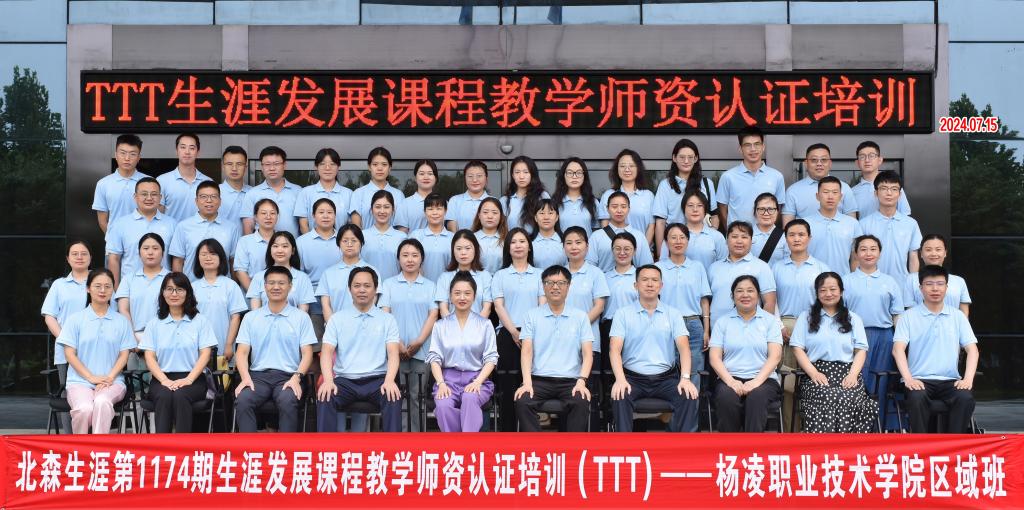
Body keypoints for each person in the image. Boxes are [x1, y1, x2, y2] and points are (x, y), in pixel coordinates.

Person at [609, 264, 700, 432]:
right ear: (636, 285)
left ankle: (684, 446)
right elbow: (614, 350)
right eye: (644, 280)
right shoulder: (623, 314)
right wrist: (620, 379)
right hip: (632, 378)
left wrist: (685, 378)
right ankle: (623, 445)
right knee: (620, 394)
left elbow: (684, 349)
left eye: (654, 280)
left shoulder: (673, 314)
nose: (650, 284)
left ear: (661, 285)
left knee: (688, 395)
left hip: (665, 379)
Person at [893, 265, 979, 433]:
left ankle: (954, 443)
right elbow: (898, 349)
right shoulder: (908, 316)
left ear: (946, 287)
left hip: (950, 380)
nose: (935, 289)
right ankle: (921, 445)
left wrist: (968, 379)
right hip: (919, 380)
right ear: (921, 288)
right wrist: (908, 379)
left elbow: (972, 350)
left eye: (940, 284)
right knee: (916, 397)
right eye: (929, 284)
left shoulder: (958, 316)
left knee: (965, 397)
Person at [317, 267, 403, 432]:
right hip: (345, 381)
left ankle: (394, 447)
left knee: (392, 396)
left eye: (367, 286)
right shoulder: (337, 319)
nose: (362, 290)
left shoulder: (387, 319)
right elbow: (326, 353)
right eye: (357, 286)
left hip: (377, 380)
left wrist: (389, 380)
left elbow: (393, 353)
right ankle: (326, 447)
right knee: (325, 395)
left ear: (376, 289)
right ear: (349, 289)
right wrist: (328, 380)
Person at [790, 272, 877, 433]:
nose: (828, 294)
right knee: (827, 395)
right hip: (816, 374)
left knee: (850, 397)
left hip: (847, 373)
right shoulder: (805, 317)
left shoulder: (853, 318)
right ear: (817, 293)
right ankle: (825, 444)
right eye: (823, 290)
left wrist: (853, 375)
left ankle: (848, 445)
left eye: (833, 289)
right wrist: (813, 373)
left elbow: (861, 350)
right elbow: (797, 348)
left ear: (841, 291)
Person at [234, 266, 316, 433]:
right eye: (271, 283)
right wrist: (245, 378)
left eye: (281, 283)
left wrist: (296, 378)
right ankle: (248, 448)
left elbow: (307, 353)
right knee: (243, 399)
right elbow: (242, 352)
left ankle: (285, 448)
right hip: (258, 377)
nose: (276, 287)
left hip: (289, 376)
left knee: (287, 400)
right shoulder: (251, 317)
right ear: (264, 287)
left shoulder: (301, 318)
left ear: (290, 286)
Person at [515, 266, 594, 432]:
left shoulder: (580, 317)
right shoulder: (531, 315)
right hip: (539, 379)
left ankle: (573, 447)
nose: (555, 287)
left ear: (569, 286)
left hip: (571, 380)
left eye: (561, 283)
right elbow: (527, 351)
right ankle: (535, 446)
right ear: (543, 286)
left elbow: (588, 354)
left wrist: (582, 381)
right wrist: (527, 382)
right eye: (549, 282)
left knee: (581, 401)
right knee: (523, 400)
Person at [57, 269, 135, 434]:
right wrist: (91, 377)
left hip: (112, 381)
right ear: (88, 288)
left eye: (108, 286)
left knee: (102, 402)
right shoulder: (75, 320)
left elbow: (124, 354)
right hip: (79, 382)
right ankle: (81, 447)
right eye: (97, 286)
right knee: (84, 409)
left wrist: (110, 377)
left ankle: (99, 447)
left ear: (113, 290)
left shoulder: (122, 321)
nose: (102, 290)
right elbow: (69, 354)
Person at [140, 272, 216, 433]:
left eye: (179, 289)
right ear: (163, 293)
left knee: (181, 395)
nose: (174, 294)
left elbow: (205, 354)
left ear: (188, 293)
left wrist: (189, 379)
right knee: (164, 395)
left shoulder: (200, 321)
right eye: (169, 289)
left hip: (194, 378)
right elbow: (149, 357)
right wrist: (164, 380)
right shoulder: (154, 324)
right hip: (161, 378)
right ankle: (163, 446)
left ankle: (182, 445)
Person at [708, 275, 783, 432]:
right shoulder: (722, 322)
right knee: (726, 398)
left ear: (758, 295)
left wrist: (756, 382)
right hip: (729, 378)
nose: (745, 295)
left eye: (750, 290)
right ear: (732, 296)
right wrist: (731, 382)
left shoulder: (770, 321)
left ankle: (752, 445)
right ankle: (730, 445)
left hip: (764, 380)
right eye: (739, 291)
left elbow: (775, 356)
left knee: (757, 397)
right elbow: (714, 358)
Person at [843, 235, 903, 429]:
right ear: (855, 253)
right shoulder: (845, 281)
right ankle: (855, 430)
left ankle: (879, 429)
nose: (868, 253)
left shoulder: (890, 281)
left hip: (884, 337)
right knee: (856, 381)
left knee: (882, 383)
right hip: (854, 337)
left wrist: (900, 342)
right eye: (863, 249)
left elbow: (897, 315)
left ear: (879, 252)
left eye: (873, 249)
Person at [379, 239, 439, 432]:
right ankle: (400, 438)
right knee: (398, 395)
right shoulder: (388, 284)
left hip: (423, 350)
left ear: (422, 259)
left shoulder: (430, 286)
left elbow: (433, 314)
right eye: (405, 255)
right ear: (398, 259)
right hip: (395, 350)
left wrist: (419, 341)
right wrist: (397, 343)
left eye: (414, 255)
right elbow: (385, 314)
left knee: (418, 396)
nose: (410, 259)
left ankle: (417, 439)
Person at [427, 272, 500, 432]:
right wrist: (441, 384)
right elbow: (434, 358)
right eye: (457, 293)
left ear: (474, 296)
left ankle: (466, 443)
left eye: (467, 293)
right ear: (450, 296)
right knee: (443, 405)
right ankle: (459, 442)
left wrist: (477, 382)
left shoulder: (485, 324)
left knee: (469, 398)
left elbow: (491, 358)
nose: (462, 297)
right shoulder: (440, 325)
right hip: (448, 380)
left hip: (477, 378)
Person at [491, 228, 545, 430]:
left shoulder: (539, 274)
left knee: (530, 384)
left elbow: (542, 305)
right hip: (508, 334)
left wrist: (528, 333)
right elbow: (499, 306)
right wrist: (514, 332)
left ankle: (529, 434)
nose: (518, 245)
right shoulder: (500, 275)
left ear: (529, 247)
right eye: (513, 242)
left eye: (522, 241)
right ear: (508, 248)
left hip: (534, 334)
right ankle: (508, 434)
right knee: (508, 386)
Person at [41, 240, 93, 433]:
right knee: (69, 396)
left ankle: (93, 440)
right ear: (68, 259)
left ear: (90, 258)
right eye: (75, 254)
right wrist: (67, 341)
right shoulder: (59, 285)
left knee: (95, 395)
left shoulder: (99, 281)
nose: (79, 257)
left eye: (84, 253)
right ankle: (69, 440)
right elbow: (49, 317)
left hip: (96, 351)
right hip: (66, 351)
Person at [655, 224, 711, 391]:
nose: (678, 241)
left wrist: (706, 330)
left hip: (693, 323)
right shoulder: (658, 268)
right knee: (668, 369)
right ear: (666, 242)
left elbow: (704, 300)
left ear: (688, 240)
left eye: (682, 237)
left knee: (694, 371)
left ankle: (692, 408)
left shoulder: (697, 267)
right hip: (666, 323)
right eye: (673, 237)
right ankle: (671, 408)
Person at [105, 177, 176, 289]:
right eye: (144, 194)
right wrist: (116, 291)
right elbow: (114, 259)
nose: (149, 198)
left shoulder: (172, 224)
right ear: (135, 197)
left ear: (160, 197)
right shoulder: (120, 224)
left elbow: (177, 259)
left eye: (154, 194)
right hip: (130, 289)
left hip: (164, 289)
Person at [654, 139, 717, 257]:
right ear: (674, 158)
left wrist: (712, 237)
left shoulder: (706, 184)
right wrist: (660, 254)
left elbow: (714, 216)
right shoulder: (665, 185)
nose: (686, 161)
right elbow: (660, 222)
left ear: (696, 158)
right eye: (682, 157)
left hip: (702, 245)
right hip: (674, 244)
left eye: (690, 157)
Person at [190, 239, 247, 370]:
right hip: (197, 348)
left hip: (223, 347)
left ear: (221, 258)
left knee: (222, 380)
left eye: (213, 254)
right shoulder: (192, 287)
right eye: (203, 254)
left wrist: (228, 345)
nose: (208, 258)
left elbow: (235, 317)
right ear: (198, 258)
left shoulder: (230, 285)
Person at [858, 170, 922, 282]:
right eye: (884, 188)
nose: (889, 193)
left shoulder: (911, 224)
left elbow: (913, 258)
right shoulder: (863, 224)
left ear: (900, 194)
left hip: (902, 284)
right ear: (876, 193)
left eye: (894, 189)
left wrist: (913, 284)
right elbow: (857, 258)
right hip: (871, 284)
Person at [707, 222, 777, 324]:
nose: (739, 241)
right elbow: (707, 301)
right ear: (726, 240)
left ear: (751, 241)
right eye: (734, 237)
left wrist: (763, 327)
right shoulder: (714, 267)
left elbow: (769, 302)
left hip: (750, 329)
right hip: (716, 328)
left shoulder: (761, 267)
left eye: (744, 237)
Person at [716, 126, 786, 227]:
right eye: (747, 145)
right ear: (740, 149)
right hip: (738, 235)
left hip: (766, 235)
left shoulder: (776, 176)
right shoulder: (728, 177)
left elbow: (778, 209)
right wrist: (731, 231)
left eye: (757, 144)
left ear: (763, 147)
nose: (753, 149)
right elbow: (722, 208)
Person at [563, 227, 610, 373]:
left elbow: (599, 306)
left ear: (587, 246)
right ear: (563, 247)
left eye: (578, 242)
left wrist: (576, 326)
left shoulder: (596, 273)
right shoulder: (558, 274)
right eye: (569, 243)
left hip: (589, 338)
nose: (574, 247)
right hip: (562, 340)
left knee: (589, 382)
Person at [169, 180, 240, 274]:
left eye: (213, 196)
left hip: (223, 283)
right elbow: (178, 261)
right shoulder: (183, 226)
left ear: (220, 201)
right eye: (203, 197)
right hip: (191, 282)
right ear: (196, 201)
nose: (209, 200)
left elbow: (233, 261)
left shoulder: (231, 228)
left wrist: (233, 282)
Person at [316, 224, 383, 323]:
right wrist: (333, 328)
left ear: (361, 243)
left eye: (354, 240)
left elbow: (373, 302)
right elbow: (326, 305)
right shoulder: (328, 273)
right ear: (338, 243)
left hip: (365, 326)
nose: (349, 244)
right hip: (337, 326)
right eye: (345, 241)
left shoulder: (372, 271)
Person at [297, 198, 342, 339]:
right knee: (314, 345)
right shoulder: (301, 242)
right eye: (321, 212)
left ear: (335, 215)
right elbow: (298, 275)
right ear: (313, 216)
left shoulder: (345, 241)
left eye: (330, 212)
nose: (326, 216)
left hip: (340, 302)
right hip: (312, 304)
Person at [116, 233, 171, 345]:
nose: (150, 252)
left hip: (166, 338)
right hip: (134, 337)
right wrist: (131, 338)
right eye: (146, 248)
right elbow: (123, 310)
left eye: (155, 248)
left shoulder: (172, 279)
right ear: (139, 253)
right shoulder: (128, 279)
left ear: (163, 252)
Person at [802, 176, 863, 276]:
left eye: (835, 192)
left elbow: (855, 258)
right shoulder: (804, 224)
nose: (830, 196)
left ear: (840, 196)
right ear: (817, 196)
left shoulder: (853, 224)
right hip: (812, 280)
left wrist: (854, 280)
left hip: (843, 280)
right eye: (825, 192)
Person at [782, 143, 858, 223]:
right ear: (806, 163)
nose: (819, 164)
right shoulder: (793, 190)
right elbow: (787, 226)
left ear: (830, 163)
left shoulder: (844, 188)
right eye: (814, 160)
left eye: (824, 160)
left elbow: (852, 223)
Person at [246, 231, 315, 312]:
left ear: (293, 250)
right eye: (275, 246)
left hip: (293, 320)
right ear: (270, 250)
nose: (280, 250)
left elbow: (303, 313)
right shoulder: (258, 277)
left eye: (285, 246)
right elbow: (255, 312)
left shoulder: (303, 278)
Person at [240, 146, 302, 237]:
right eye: (267, 164)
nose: (272, 168)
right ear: (262, 167)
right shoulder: (252, 193)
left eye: (276, 164)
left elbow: (304, 223)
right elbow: (248, 228)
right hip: (262, 245)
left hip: (292, 244)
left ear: (284, 165)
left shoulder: (298, 191)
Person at [903, 234, 971, 316]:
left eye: (938, 249)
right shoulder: (911, 279)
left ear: (945, 253)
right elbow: (910, 312)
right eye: (928, 250)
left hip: (952, 324)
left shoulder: (959, 281)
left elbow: (964, 315)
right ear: (921, 253)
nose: (933, 253)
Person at [586, 191, 653, 272]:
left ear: (629, 209)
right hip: (604, 280)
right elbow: (590, 269)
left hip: (632, 280)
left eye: (623, 207)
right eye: (614, 207)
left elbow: (646, 269)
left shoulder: (639, 236)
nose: (619, 210)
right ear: (607, 209)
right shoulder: (596, 237)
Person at [600, 149, 655, 246]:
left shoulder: (648, 196)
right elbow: (605, 226)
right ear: (617, 169)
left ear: (638, 168)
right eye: (622, 166)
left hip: (642, 249)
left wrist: (641, 250)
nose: (627, 169)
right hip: (615, 250)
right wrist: (617, 248)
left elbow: (651, 226)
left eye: (631, 166)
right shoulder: (608, 195)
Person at [435, 230, 493, 318]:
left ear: (475, 250)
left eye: (468, 248)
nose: (463, 253)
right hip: (451, 325)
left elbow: (486, 309)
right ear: (453, 251)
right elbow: (443, 310)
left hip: (479, 325)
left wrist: (476, 325)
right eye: (459, 249)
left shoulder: (485, 276)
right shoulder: (444, 278)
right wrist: (454, 326)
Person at [602, 232, 640, 366]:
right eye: (617, 248)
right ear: (612, 251)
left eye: (627, 249)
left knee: (632, 367)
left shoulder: (641, 277)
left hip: (635, 326)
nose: (622, 252)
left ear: (634, 251)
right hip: (609, 327)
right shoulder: (603, 277)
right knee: (609, 368)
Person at [94, 134, 145, 233]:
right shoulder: (103, 184)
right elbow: (102, 221)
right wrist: (113, 239)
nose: (127, 158)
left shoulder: (149, 182)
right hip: (115, 240)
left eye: (132, 154)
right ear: (116, 155)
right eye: (123, 153)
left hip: (144, 239)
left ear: (139, 157)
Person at [294, 148, 352, 234]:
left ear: (338, 167)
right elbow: (303, 224)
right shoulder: (305, 192)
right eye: (322, 164)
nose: (327, 168)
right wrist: (310, 241)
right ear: (316, 167)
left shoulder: (349, 194)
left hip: (341, 241)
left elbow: (351, 224)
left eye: (332, 164)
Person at [158, 133, 213, 222]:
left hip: (200, 231)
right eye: (183, 147)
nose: (187, 152)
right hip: (172, 231)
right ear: (177, 151)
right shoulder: (162, 181)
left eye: (192, 148)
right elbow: (158, 215)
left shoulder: (208, 182)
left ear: (198, 152)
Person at [851, 141, 911, 219]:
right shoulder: (852, 192)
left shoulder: (893, 187)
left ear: (880, 160)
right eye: (862, 156)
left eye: (871, 156)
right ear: (857, 163)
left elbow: (905, 216)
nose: (867, 160)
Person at [349, 147, 404, 229]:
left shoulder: (399, 195)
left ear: (390, 168)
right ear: (369, 167)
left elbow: (402, 225)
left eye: (384, 164)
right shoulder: (359, 193)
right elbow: (356, 227)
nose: (380, 168)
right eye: (375, 164)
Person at [233, 198, 278, 293]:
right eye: (263, 213)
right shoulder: (245, 241)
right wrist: (256, 295)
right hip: (252, 296)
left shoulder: (284, 240)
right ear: (255, 217)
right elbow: (240, 272)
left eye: (272, 213)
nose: (268, 217)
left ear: (277, 216)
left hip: (280, 294)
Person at [361, 190, 408, 280]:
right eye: (378, 207)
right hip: (367, 287)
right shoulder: (362, 236)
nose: (382, 211)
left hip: (394, 287)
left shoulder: (402, 237)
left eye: (386, 207)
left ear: (393, 210)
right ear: (371, 210)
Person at [677, 190, 727, 272]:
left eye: (699, 205)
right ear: (684, 209)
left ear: (705, 210)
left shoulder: (717, 237)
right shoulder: (675, 236)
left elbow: (724, 267)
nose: (695, 209)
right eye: (690, 205)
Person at [409, 193, 454, 281]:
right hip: (421, 286)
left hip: (447, 286)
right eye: (430, 209)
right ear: (425, 212)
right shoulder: (416, 236)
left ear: (445, 211)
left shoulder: (453, 238)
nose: (435, 213)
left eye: (439, 208)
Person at [551, 157, 603, 233]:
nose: (574, 177)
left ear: (584, 176)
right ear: (563, 176)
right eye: (570, 173)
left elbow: (597, 231)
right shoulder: (555, 202)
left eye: (579, 173)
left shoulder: (592, 202)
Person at [501, 155, 548, 232]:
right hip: (512, 239)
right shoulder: (504, 200)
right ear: (513, 175)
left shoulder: (542, 196)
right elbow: (502, 229)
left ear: (532, 174)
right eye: (517, 172)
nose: (521, 176)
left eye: (526, 172)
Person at [446, 160, 492, 231]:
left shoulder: (494, 202)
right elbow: (452, 230)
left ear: (486, 179)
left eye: (479, 176)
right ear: (465, 179)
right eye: (470, 176)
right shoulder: (455, 201)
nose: (474, 180)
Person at [396, 159, 439, 233]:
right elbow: (402, 235)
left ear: (435, 178)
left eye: (430, 174)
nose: (426, 177)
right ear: (415, 178)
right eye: (421, 174)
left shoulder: (445, 203)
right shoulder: (405, 204)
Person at [218, 146, 252, 231]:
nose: (234, 168)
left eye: (239, 164)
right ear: (223, 166)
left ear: (246, 167)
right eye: (229, 164)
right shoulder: (214, 193)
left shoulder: (253, 193)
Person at [472, 197, 508, 274]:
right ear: (479, 215)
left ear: (501, 216)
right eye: (485, 212)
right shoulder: (471, 238)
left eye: (494, 213)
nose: (490, 216)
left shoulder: (508, 239)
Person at [750, 193, 788, 266]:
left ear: (777, 212)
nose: (766, 213)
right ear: (754, 212)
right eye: (761, 209)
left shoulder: (785, 237)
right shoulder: (746, 235)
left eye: (771, 209)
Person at [530, 199, 567, 270]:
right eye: (542, 213)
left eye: (550, 213)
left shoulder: (565, 241)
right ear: (536, 218)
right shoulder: (529, 242)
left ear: (557, 217)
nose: (546, 217)